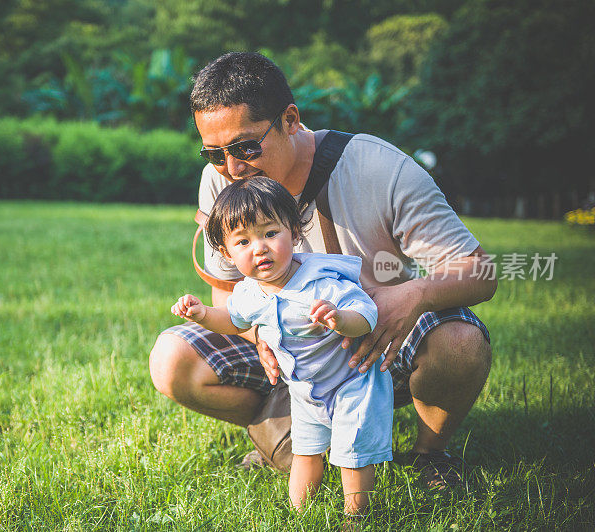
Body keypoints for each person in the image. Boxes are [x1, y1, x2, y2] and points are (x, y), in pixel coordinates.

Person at [149, 52, 496, 489]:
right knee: (171, 360)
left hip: (374, 344)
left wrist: (414, 294)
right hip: (286, 351)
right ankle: (277, 430)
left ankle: (431, 455)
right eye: (215, 153)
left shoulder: (379, 169)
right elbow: (227, 288)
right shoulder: (220, 180)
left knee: (460, 341)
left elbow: (480, 271)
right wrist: (258, 337)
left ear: (290, 119)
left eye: (246, 147)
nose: (232, 169)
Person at [172, 177, 392, 514]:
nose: (259, 248)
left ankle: (356, 516)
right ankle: (299, 515)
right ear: (227, 253)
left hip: (351, 384)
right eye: (242, 242)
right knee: (305, 452)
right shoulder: (250, 291)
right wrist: (203, 315)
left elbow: (367, 313)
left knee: (352, 458)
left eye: (270, 233)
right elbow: (233, 320)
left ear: (294, 231)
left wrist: (340, 319)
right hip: (305, 392)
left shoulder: (320, 282)